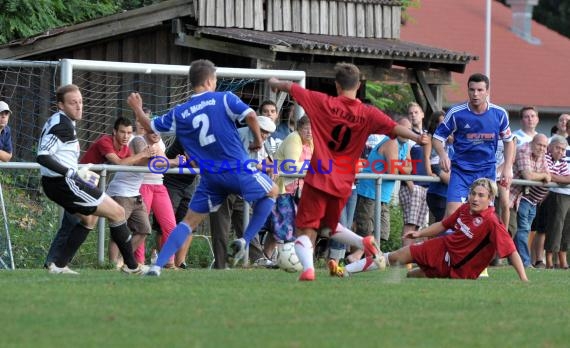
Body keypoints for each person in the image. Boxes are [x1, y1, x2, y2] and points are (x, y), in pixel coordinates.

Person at [268, 62, 428, 281]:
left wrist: (275, 82)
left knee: (305, 229)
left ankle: (308, 269)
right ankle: (362, 242)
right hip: (344, 182)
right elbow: (394, 127)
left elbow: (292, 87)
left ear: (336, 85)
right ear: (359, 84)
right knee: (328, 227)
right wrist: (417, 137)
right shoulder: (367, 113)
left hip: (319, 176)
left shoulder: (322, 102)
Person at [127, 59, 279, 276]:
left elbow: (150, 125)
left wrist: (137, 108)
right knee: (272, 191)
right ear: (209, 81)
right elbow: (252, 116)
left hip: (210, 177)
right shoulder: (224, 98)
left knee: (188, 222)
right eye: (215, 79)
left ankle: (157, 266)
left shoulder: (180, 112)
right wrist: (258, 141)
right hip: (236, 168)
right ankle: (244, 241)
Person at [37, 84, 148, 275]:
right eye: (73, 103)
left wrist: (76, 173)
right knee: (118, 212)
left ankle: (59, 265)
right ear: (61, 105)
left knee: (88, 220)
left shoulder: (61, 121)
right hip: (65, 183)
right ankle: (132, 267)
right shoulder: (61, 125)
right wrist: (70, 173)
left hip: (64, 181)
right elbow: (42, 155)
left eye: (80, 102)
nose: (79, 106)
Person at [333, 178, 528, 281]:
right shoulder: (464, 208)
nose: (475, 199)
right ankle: (345, 271)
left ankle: (348, 269)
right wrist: (419, 233)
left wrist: (524, 280)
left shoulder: (492, 222)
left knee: (413, 276)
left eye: (480, 195)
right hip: (441, 248)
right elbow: (443, 225)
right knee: (394, 258)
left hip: (461, 270)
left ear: (489, 199)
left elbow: (511, 251)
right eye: (472, 194)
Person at [433, 73, 515, 220]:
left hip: (486, 171)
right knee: (452, 216)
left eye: (480, 90)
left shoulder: (499, 113)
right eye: (472, 90)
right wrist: (443, 155)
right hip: (461, 171)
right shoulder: (456, 112)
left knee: (483, 218)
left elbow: (509, 142)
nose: (475, 94)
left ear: (487, 91)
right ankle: (445, 241)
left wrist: (507, 167)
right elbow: (437, 138)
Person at [349, 117, 412, 263]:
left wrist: (399, 166)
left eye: (409, 130)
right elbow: (393, 172)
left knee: (382, 232)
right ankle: (360, 258)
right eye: (404, 129)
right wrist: (401, 167)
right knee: (365, 229)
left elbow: (409, 169)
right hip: (369, 190)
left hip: (383, 193)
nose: (407, 132)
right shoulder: (391, 142)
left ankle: (358, 257)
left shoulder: (406, 144)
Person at [507, 134, 550, 268]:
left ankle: (516, 261)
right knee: (514, 229)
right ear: (532, 142)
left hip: (526, 199)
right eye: (539, 145)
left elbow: (548, 175)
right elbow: (528, 175)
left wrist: (543, 175)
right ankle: (523, 262)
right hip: (509, 195)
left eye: (544, 146)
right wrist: (542, 175)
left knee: (520, 230)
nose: (542, 148)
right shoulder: (523, 150)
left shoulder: (542, 154)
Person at [399, 103, 430, 253]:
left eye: (416, 112)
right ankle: (403, 257)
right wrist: (410, 184)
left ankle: (415, 256)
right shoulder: (407, 136)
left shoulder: (427, 135)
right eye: (410, 113)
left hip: (426, 185)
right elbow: (401, 163)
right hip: (411, 186)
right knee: (410, 223)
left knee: (421, 226)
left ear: (422, 114)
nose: (413, 115)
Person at [423, 111, 452, 223]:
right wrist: (429, 172)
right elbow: (426, 156)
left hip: (445, 165)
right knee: (451, 181)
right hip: (435, 165)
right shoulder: (430, 137)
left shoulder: (444, 138)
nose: (444, 125)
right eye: (441, 123)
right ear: (435, 123)